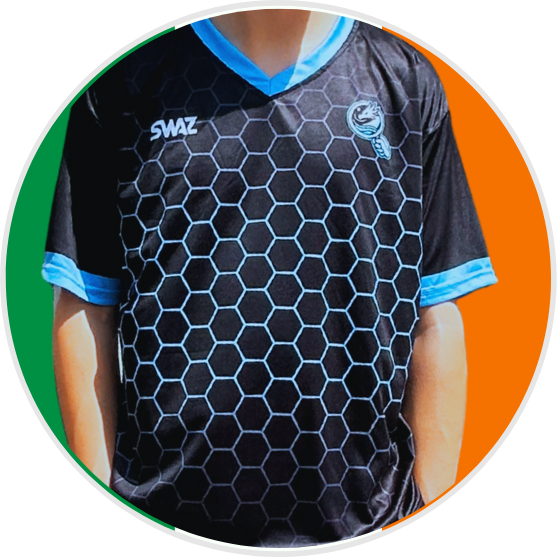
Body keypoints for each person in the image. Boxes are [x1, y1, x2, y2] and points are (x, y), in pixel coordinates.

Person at [42, 8, 497, 547]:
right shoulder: (123, 85)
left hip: (365, 525)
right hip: (164, 519)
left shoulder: (407, 83)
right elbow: (87, 300)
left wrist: (429, 517)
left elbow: (435, 310)